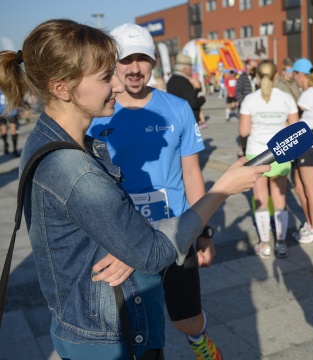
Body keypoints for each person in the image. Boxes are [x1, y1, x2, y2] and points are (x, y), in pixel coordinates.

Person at [0, 19, 268, 359]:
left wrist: (128, 243)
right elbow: (151, 253)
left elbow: (95, 228)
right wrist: (223, 190)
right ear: (61, 88)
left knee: (186, 312)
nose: (117, 83)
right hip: (108, 334)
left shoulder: (51, 138)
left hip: (98, 317)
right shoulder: (74, 169)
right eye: (105, 76)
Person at [86, 23, 222, 360]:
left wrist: (203, 232)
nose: (134, 68)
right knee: (132, 328)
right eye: (126, 60)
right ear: (113, 63)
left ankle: (200, 340)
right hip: (122, 238)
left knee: (186, 319)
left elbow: (192, 172)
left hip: (175, 233)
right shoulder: (97, 112)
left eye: (142, 59)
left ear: (153, 63)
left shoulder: (177, 108)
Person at [239, 60, 299, 258]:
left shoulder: (249, 99)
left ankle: (265, 244)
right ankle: (281, 243)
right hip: (281, 152)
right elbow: (295, 128)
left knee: (261, 199)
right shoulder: (286, 98)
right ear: (276, 76)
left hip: (256, 152)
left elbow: (244, 130)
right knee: (280, 198)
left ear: (256, 76)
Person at [288, 58, 313, 244]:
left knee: (310, 191)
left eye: (294, 74)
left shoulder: (308, 94)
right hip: (307, 146)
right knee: (299, 187)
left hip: (308, 147)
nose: (293, 78)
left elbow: (292, 119)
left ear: (300, 75)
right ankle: (310, 224)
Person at [166, 54, 207, 126]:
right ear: (184, 69)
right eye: (190, 67)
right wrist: (202, 98)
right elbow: (193, 103)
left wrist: (197, 89)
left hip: (176, 119)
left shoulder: (171, 80)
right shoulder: (183, 82)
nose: (192, 69)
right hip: (187, 121)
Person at [0, 88, 20, 156]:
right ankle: (6, 144)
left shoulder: (11, 84)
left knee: (13, 130)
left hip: (12, 111)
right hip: (2, 112)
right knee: (3, 131)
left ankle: (15, 149)